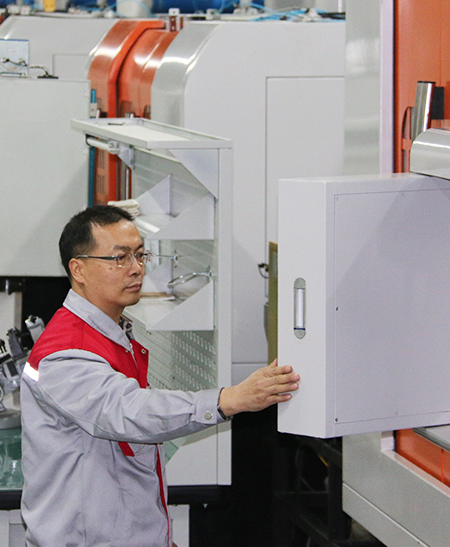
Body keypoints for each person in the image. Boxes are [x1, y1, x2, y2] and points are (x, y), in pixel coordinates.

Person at [20, 205, 300, 547]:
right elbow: (130, 412)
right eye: (119, 258)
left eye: (140, 255)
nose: (136, 268)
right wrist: (227, 400)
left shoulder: (110, 334)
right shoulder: (67, 352)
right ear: (78, 269)